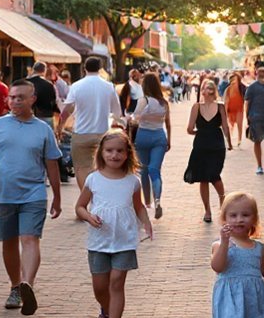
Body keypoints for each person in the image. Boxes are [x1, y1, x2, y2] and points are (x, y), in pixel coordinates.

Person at [0, 80, 62, 317]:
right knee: (10, 242)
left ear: (32, 99)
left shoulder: (43, 129)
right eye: (12, 97)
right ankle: (15, 286)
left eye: (20, 97)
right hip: (3, 195)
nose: (14, 101)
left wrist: (57, 197)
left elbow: (52, 164)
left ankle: (27, 285)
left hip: (34, 194)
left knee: (30, 239)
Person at [75, 130, 153, 318]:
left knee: (117, 282)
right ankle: (106, 311)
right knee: (100, 287)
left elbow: (138, 206)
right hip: (99, 241)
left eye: (120, 151)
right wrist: (88, 216)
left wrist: (146, 222)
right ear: (101, 153)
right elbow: (80, 207)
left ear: (128, 154)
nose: (114, 155)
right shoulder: (93, 178)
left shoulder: (133, 181)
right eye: (109, 151)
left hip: (125, 239)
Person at [57, 57, 123, 190]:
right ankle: (99, 196)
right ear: (100, 69)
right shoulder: (109, 86)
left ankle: (86, 196)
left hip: (81, 134)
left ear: (84, 68)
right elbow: (117, 112)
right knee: (102, 168)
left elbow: (67, 109)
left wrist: (60, 127)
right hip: (102, 134)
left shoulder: (76, 86)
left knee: (81, 168)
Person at [184, 80, 232, 223]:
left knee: (214, 176)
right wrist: (201, 133)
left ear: (212, 91)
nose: (207, 90)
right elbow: (189, 128)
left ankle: (222, 206)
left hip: (215, 146)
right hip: (202, 146)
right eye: (205, 87)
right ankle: (208, 210)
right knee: (204, 178)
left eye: (209, 88)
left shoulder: (220, 107)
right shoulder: (196, 107)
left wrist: (229, 143)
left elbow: (225, 126)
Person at [133, 73, 171, 219]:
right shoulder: (164, 103)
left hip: (143, 136)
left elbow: (135, 118)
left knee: (143, 170)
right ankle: (157, 200)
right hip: (159, 136)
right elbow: (168, 123)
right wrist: (169, 140)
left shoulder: (144, 100)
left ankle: (147, 201)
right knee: (154, 170)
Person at [26, 61, 59, 130]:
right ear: (44, 71)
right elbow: (53, 103)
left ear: (33, 70)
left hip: (27, 118)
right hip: (46, 117)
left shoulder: (24, 83)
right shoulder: (49, 85)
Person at [223, 72, 246, 148]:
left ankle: (239, 140)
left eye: (235, 79)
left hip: (239, 109)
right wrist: (225, 112)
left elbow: (246, 99)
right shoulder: (228, 89)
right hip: (231, 110)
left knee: (239, 125)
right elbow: (226, 101)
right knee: (230, 126)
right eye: (232, 79)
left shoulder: (242, 88)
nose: (233, 81)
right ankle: (229, 141)